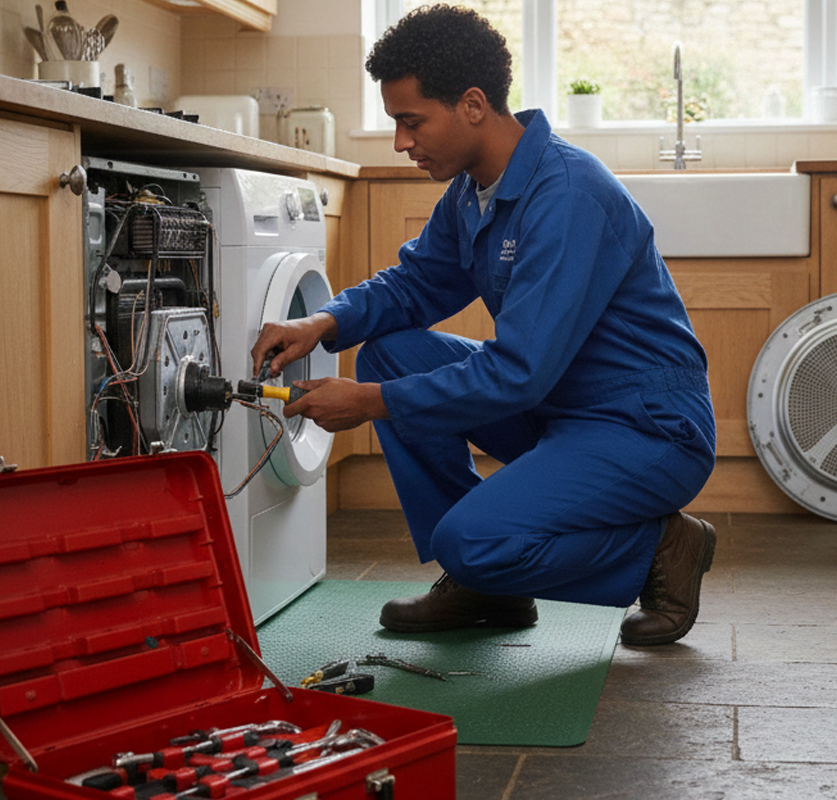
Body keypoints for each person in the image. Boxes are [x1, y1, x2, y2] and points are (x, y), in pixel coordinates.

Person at [250, 4, 716, 646]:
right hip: (561, 407)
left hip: (645, 427)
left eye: (411, 121)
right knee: (388, 354)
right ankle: (484, 589)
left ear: (472, 105)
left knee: (469, 539)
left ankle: (660, 546)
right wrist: (323, 320)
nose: (401, 143)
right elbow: (416, 283)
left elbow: (518, 372)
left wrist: (369, 403)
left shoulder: (568, 195)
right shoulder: (474, 191)